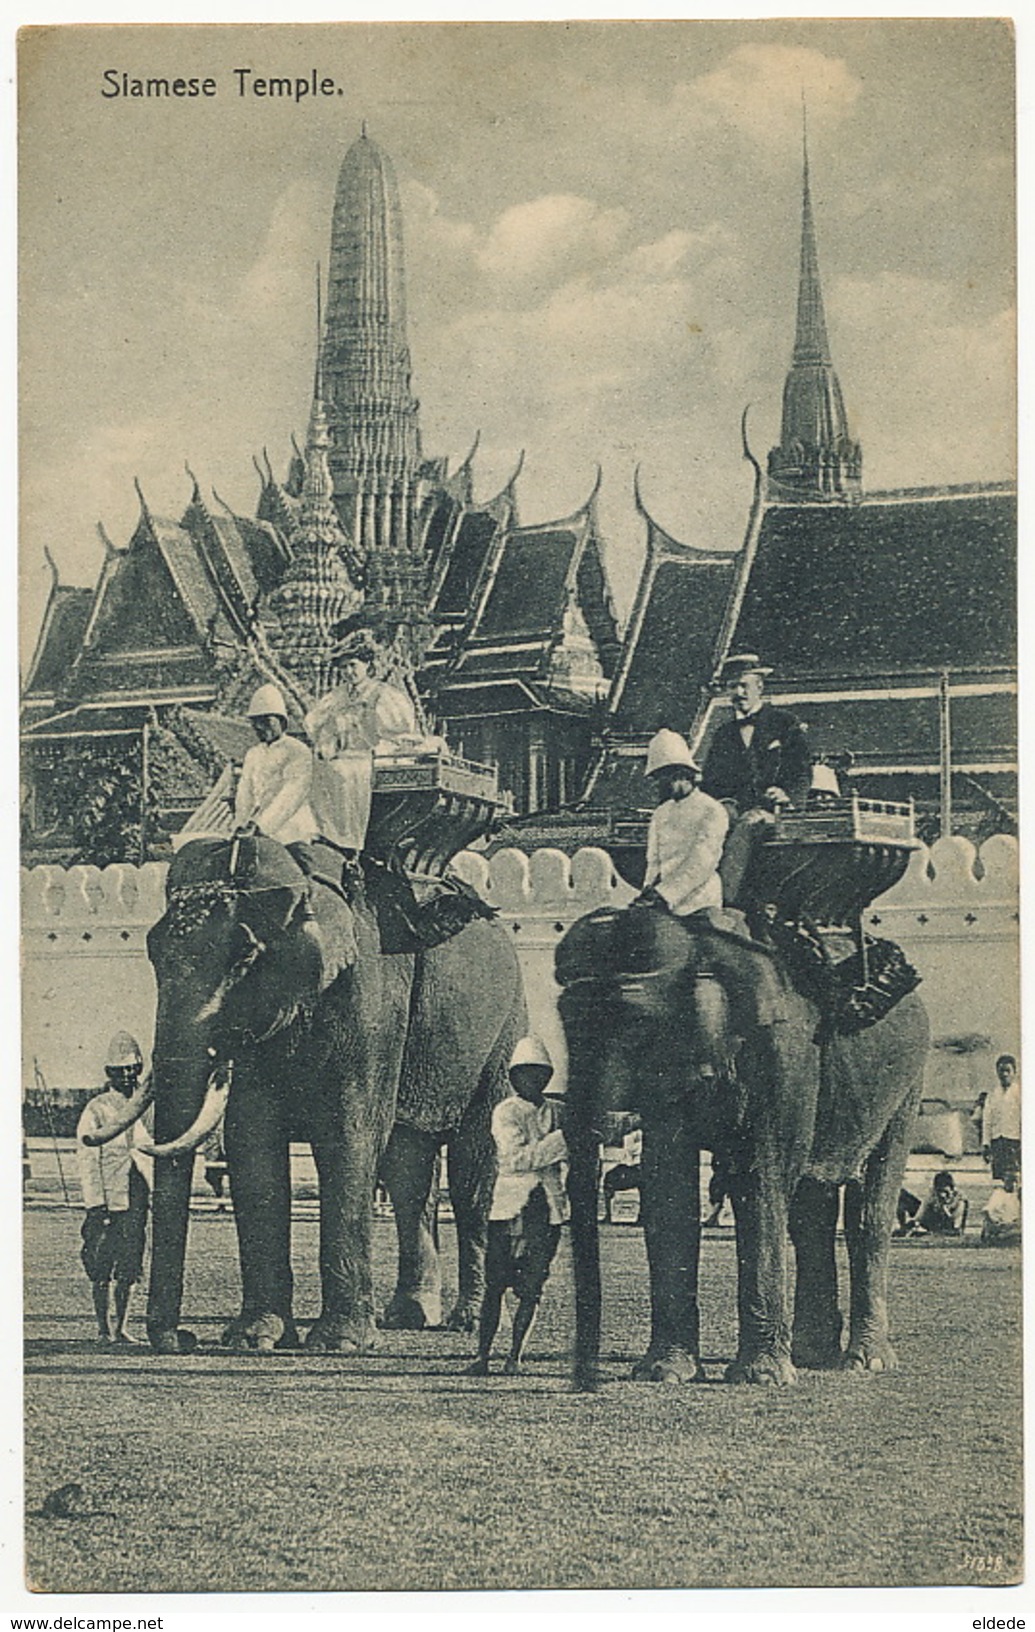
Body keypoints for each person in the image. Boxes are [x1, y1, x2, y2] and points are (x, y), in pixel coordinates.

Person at [467, 1036, 568, 1377]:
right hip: (510, 1210)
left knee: (532, 1290)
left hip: (549, 1212)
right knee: (494, 1288)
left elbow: (604, 1125)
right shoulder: (506, 1112)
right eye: (525, 1074)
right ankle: (482, 1356)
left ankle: (515, 1356)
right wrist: (564, 1139)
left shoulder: (557, 1112)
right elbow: (517, 1158)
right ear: (513, 1078)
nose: (533, 1081)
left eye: (540, 1074)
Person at [701, 653, 811, 906]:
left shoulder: (784, 724)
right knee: (710, 821)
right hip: (735, 807)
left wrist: (787, 794)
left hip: (774, 811)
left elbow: (802, 770)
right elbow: (711, 782)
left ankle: (725, 901)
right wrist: (721, 804)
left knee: (748, 824)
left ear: (759, 686)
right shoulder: (723, 734)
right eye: (732, 686)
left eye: (744, 685)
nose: (739, 692)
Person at [305, 630, 421, 854]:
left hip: (369, 755)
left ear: (367, 665)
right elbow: (319, 728)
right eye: (344, 667)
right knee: (316, 769)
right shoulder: (336, 697)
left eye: (353, 665)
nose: (348, 672)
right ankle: (323, 832)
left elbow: (394, 734)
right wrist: (327, 744)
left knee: (346, 772)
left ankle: (348, 839)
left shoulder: (382, 694)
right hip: (340, 754)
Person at [76, 1031, 154, 1346]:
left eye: (131, 1069)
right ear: (109, 1073)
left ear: (138, 1070)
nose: (126, 1075)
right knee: (101, 1267)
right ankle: (102, 1329)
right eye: (119, 1070)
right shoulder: (98, 1108)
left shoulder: (148, 1103)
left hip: (137, 1195)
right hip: (108, 1199)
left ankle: (121, 1327)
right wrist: (96, 1203)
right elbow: (87, 1159)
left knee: (130, 1267)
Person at [639, 729, 728, 917]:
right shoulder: (660, 813)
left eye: (666, 777)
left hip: (700, 902)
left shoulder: (712, 810)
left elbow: (703, 860)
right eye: (658, 778)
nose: (661, 784)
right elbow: (654, 861)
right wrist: (647, 889)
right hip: (663, 905)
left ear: (683, 774)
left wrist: (665, 893)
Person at [234, 683, 317, 845]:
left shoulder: (297, 751)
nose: (261, 727)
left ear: (281, 722)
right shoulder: (253, 754)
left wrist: (261, 826)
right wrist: (241, 823)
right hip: (255, 825)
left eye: (268, 721)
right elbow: (245, 793)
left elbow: (291, 794)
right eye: (256, 722)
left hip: (292, 827)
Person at [981, 1055, 1021, 1188]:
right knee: (999, 1178)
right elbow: (987, 1120)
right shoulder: (993, 1095)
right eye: (1001, 1071)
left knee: (1014, 1178)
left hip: (1015, 1142)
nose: (1004, 1074)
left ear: (1014, 1072)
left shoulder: (1020, 1093)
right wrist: (986, 1144)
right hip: (997, 1142)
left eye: (1007, 1071)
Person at [915, 1170, 969, 1236]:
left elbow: (955, 1225)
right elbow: (919, 1218)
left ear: (952, 1190)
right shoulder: (932, 1196)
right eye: (939, 1191)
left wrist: (945, 1209)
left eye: (946, 1192)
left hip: (950, 1231)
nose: (942, 1195)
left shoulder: (959, 1201)